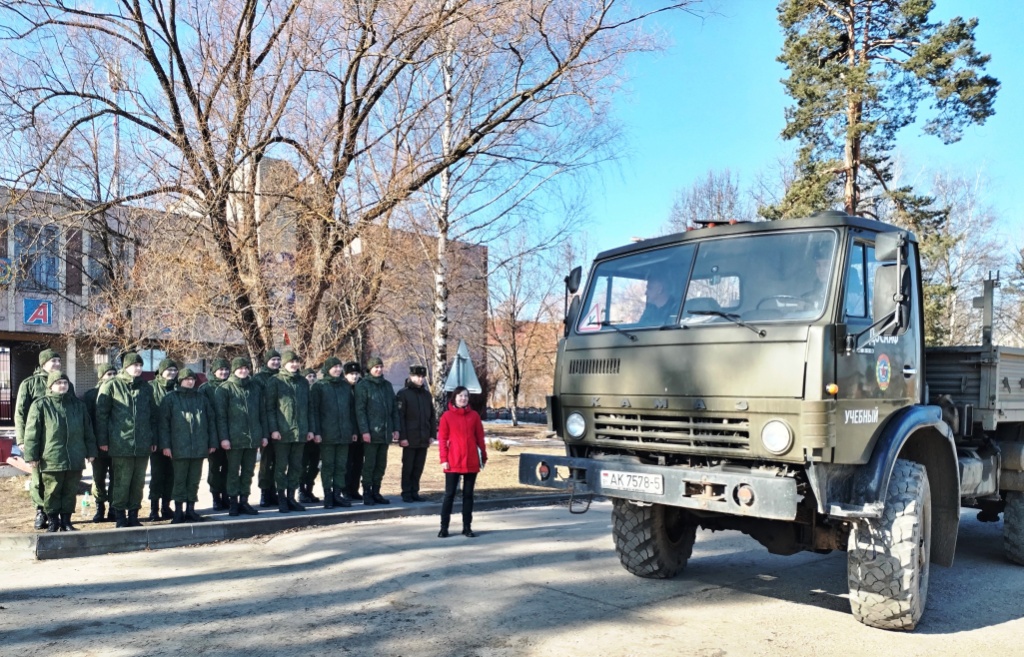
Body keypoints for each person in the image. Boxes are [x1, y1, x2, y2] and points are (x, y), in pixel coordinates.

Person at [23, 371, 96, 532]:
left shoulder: (78, 405)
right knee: (52, 491)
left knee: (70, 490)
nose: (62, 386)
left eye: (65, 383)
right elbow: (32, 433)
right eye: (58, 383)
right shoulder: (40, 405)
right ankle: (53, 521)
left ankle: (66, 521)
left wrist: (91, 451)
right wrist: (31, 456)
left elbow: (88, 430)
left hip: (75, 457)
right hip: (51, 458)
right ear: (50, 386)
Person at [96, 352, 158, 528]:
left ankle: (133, 515)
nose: (138, 368)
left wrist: (153, 439)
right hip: (121, 443)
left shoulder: (146, 388)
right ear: (126, 367)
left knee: (138, 482)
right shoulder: (111, 386)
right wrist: (103, 440)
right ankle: (120, 516)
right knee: (122, 481)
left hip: (143, 443)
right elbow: (101, 416)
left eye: (140, 365)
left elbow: (153, 416)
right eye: (134, 365)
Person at [15, 347, 72, 530]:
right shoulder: (29, 384)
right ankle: (41, 511)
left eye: (58, 361)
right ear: (43, 364)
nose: (56, 364)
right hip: (36, 438)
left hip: (55, 440)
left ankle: (59, 515)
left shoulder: (64, 382)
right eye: (52, 361)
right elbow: (20, 413)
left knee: (56, 480)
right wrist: (22, 440)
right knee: (38, 478)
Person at [160, 368, 218, 523]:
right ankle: (178, 511)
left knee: (194, 480)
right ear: (180, 381)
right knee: (179, 480)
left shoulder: (201, 398)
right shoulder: (171, 399)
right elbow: (164, 424)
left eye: (192, 379)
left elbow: (211, 421)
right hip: (179, 447)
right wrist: (166, 445)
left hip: (199, 447)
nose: (190, 381)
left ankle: (190, 510)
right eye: (187, 379)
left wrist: (212, 442)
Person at [214, 357, 268, 517]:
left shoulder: (255, 388)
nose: (243, 371)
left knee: (248, 472)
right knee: (232, 471)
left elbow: (262, 413)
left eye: (246, 368)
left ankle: (244, 501)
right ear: (234, 370)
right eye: (240, 368)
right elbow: (221, 417)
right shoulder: (225, 389)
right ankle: (233, 503)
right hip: (234, 438)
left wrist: (263, 435)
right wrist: (224, 438)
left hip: (253, 438)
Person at [264, 350, 315, 513]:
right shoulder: (275, 381)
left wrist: (310, 429)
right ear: (284, 364)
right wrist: (274, 429)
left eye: (296, 362)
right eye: (290, 362)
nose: (294, 364)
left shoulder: (303, 382)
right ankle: (281, 499)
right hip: (282, 433)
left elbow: (309, 408)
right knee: (280, 467)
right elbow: (270, 408)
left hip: (300, 432)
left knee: (296, 467)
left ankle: (291, 497)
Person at [437, 386, 487, 538]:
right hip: (453, 461)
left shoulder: (474, 416)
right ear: (454, 398)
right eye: (460, 396)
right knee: (449, 494)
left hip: (471, 460)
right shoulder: (446, 416)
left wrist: (483, 457)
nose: (463, 398)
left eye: (465, 396)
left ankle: (467, 527)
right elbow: (442, 440)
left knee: (468, 495)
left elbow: (480, 438)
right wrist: (443, 459)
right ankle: (444, 527)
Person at [311, 357, 356, 509]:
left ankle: (337, 494)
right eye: (334, 367)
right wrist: (317, 432)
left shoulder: (345, 386)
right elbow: (314, 411)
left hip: (344, 433)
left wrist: (353, 430)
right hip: (326, 433)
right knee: (328, 465)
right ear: (328, 369)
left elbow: (351, 410)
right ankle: (328, 495)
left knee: (341, 466)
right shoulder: (320, 386)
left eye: (339, 367)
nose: (337, 369)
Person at [355, 356, 400, 506]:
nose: (379, 369)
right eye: (376, 367)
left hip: (385, 432)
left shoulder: (387, 385)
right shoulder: (364, 385)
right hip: (371, 433)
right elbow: (360, 410)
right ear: (370, 369)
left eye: (381, 367)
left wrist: (395, 428)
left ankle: (376, 491)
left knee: (381, 464)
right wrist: (365, 431)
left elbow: (394, 409)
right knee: (369, 464)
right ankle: (367, 492)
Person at [396, 365, 435, 503]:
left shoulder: (426, 394)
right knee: (408, 466)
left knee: (418, 466)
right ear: (411, 377)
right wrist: (403, 437)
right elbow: (400, 417)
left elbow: (432, 416)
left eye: (422, 377)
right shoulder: (403, 394)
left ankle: (415, 491)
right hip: (409, 437)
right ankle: (406, 492)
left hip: (423, 437)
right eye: (418, 376)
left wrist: (432, 434)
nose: (420, 379)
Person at [84, 363, 118, 523]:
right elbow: (88, 421)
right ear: (101, 376)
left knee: (116, 477)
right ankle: (99, 508)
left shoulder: (120, 392)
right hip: (98, 445)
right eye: (108, 374)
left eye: (114, 373)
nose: (112, 377)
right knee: (98, 479)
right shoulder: (91, 395)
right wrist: (92, 445)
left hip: (117, 445)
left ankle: (113, 508)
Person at [147, 357, 179, 521]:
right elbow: (149, 416)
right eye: (169, 370)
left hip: (175, 440)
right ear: (161, 371)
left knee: (171, 475)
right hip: (157, 440)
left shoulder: (178, 388)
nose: (172, 373)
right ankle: (154, 509)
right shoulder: (151, 387)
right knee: (157, 475)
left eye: (174, 370)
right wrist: (152, 439)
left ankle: (167, 506)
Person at [201, 357, 231, 511]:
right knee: (214, 468)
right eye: (221, 369)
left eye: (226, 369)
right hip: (213, 434)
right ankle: (216, 497)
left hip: (230, 434)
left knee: (229, 467)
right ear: (214, 372)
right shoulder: (206, 389)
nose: (224, 372)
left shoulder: (231, 386)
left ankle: (227, 495)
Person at [254, 349, 282, 507]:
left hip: (281, 425)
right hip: (265, 424)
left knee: (279, 463)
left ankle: (275, 492)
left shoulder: (282, 377)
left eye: (278, 360)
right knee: (266, 462)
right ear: (266, 361)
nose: (276, 363)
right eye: (273, 360)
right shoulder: (259, 379)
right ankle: (265, 492)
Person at [341, 361, 365, 500]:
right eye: (351, 374)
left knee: (358, 463)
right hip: (347, 431)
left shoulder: (361, 387)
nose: (354, 377)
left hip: (360, 431)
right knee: (346, 463)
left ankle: (354, 489)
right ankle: (345, 489)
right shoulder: (343, 388)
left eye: (356, 374)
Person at [299, 367, 322, 503]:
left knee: (314, 465)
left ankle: (309, 490)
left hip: (318, 434)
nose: (312, 379)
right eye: (309, 377)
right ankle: (301, 490)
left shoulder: (318, 392)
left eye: (313, 376)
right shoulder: (302, 392)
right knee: (302, 464)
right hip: (304, 435)